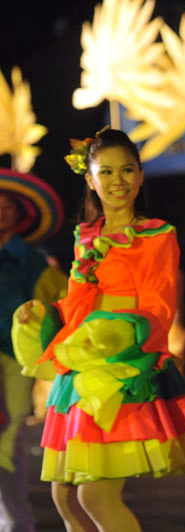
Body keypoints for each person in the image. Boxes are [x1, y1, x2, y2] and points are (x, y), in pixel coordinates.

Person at [13, 128, 185, 532]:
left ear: (140, 175)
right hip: (81, 365)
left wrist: (124, 335)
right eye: (107, 172)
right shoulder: (86, 236)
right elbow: (77, 304)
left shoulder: (156, 235)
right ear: (90, 179)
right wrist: (45, 313)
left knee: (96, 496)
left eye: (127, 170)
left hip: (122, 363)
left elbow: (159, 305)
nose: (118, 181)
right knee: (66, 497)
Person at [0, 168, 65, 532]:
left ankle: (15, 521)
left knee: (8, 436)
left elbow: (60, 301)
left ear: (19, 213)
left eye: (7, 206)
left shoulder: (30, 258)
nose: (1, 212)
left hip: (14, 357)